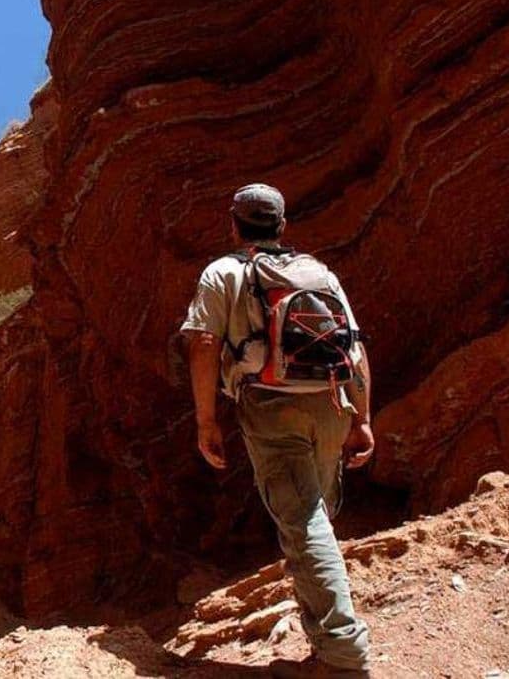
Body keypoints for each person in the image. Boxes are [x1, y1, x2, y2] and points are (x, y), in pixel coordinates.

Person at [180, 183, 374, 678]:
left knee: (303, 521)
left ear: (234, 225)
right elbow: (356, 347)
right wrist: (363, 419)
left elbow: (203, 342)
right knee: (316, 519)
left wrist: (206, 420)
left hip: (271, 405)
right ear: (282, 226)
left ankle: (344, 657)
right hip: (332, 401)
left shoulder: (223, 272)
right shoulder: (318, 272)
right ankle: (324, 648)